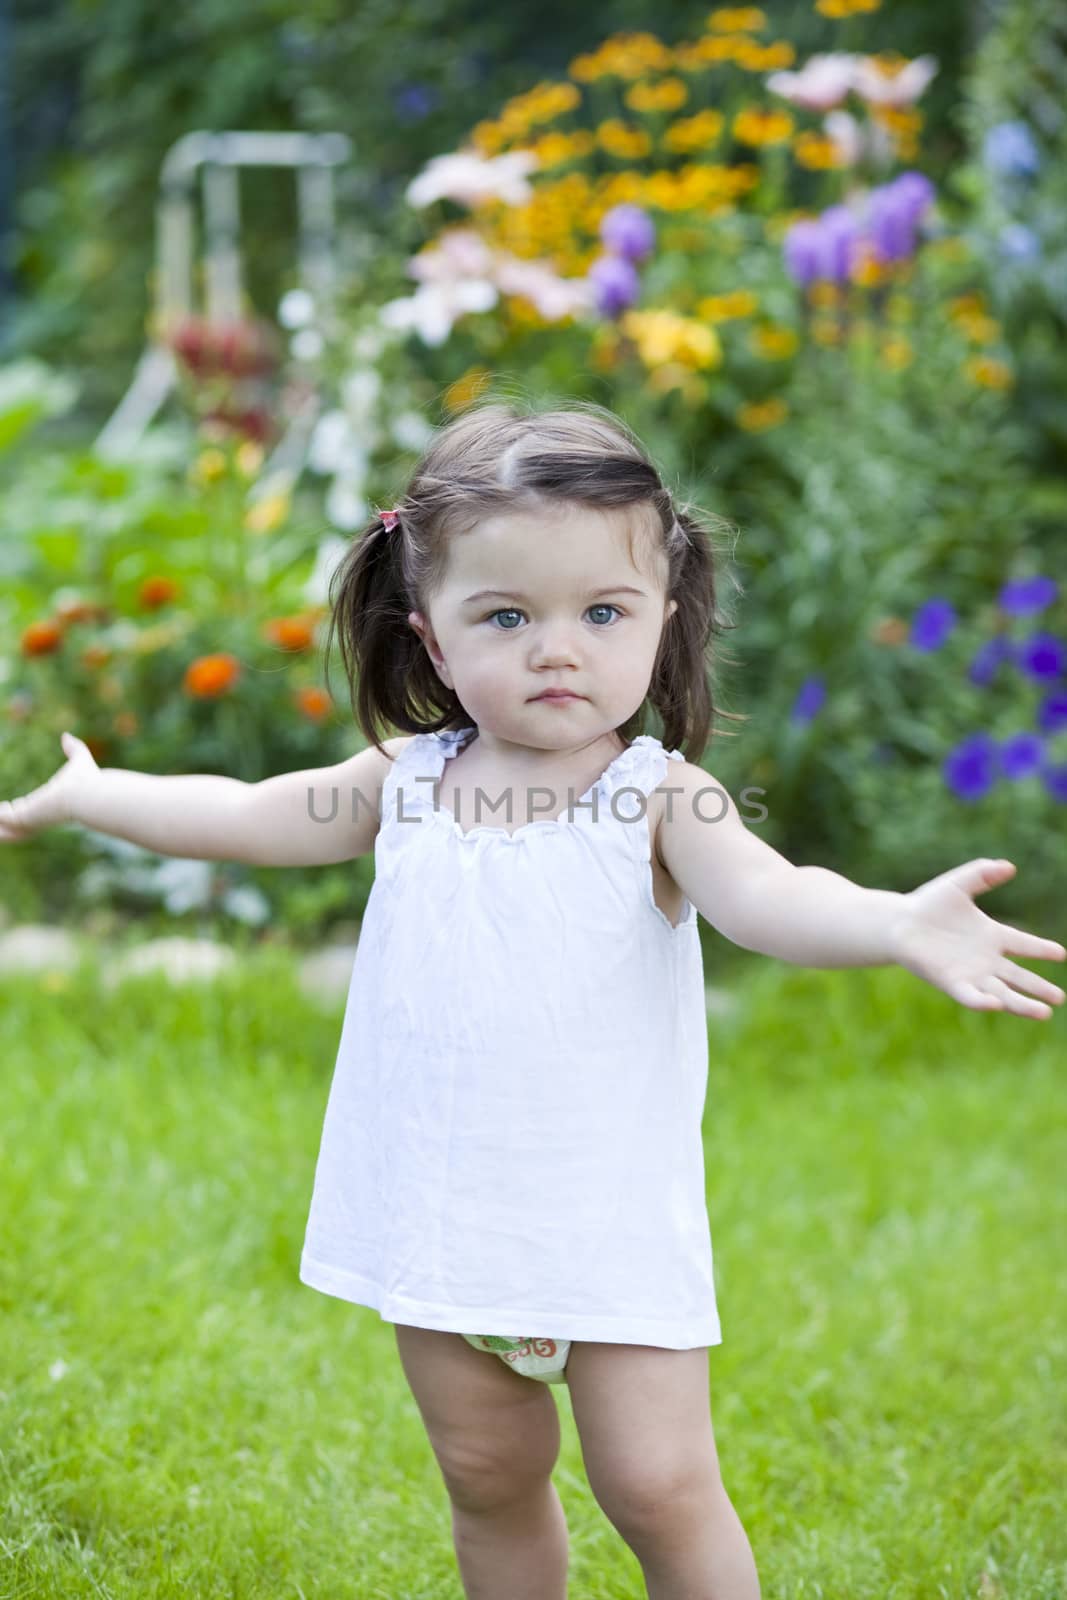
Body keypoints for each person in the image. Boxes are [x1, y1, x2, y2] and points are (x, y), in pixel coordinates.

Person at [2, 399, 1064, 1600]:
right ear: (436, 643)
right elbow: (249, 812)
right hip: (439, 1208)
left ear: (661, 622)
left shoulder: (661, 799)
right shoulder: (404, 780)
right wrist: (97, 795)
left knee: (655, 1482)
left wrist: (891, 921)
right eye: (505, 617)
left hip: (600, 1218)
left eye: (601, 613)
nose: (557, 648)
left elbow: (774, 899)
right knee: (485, 1469)